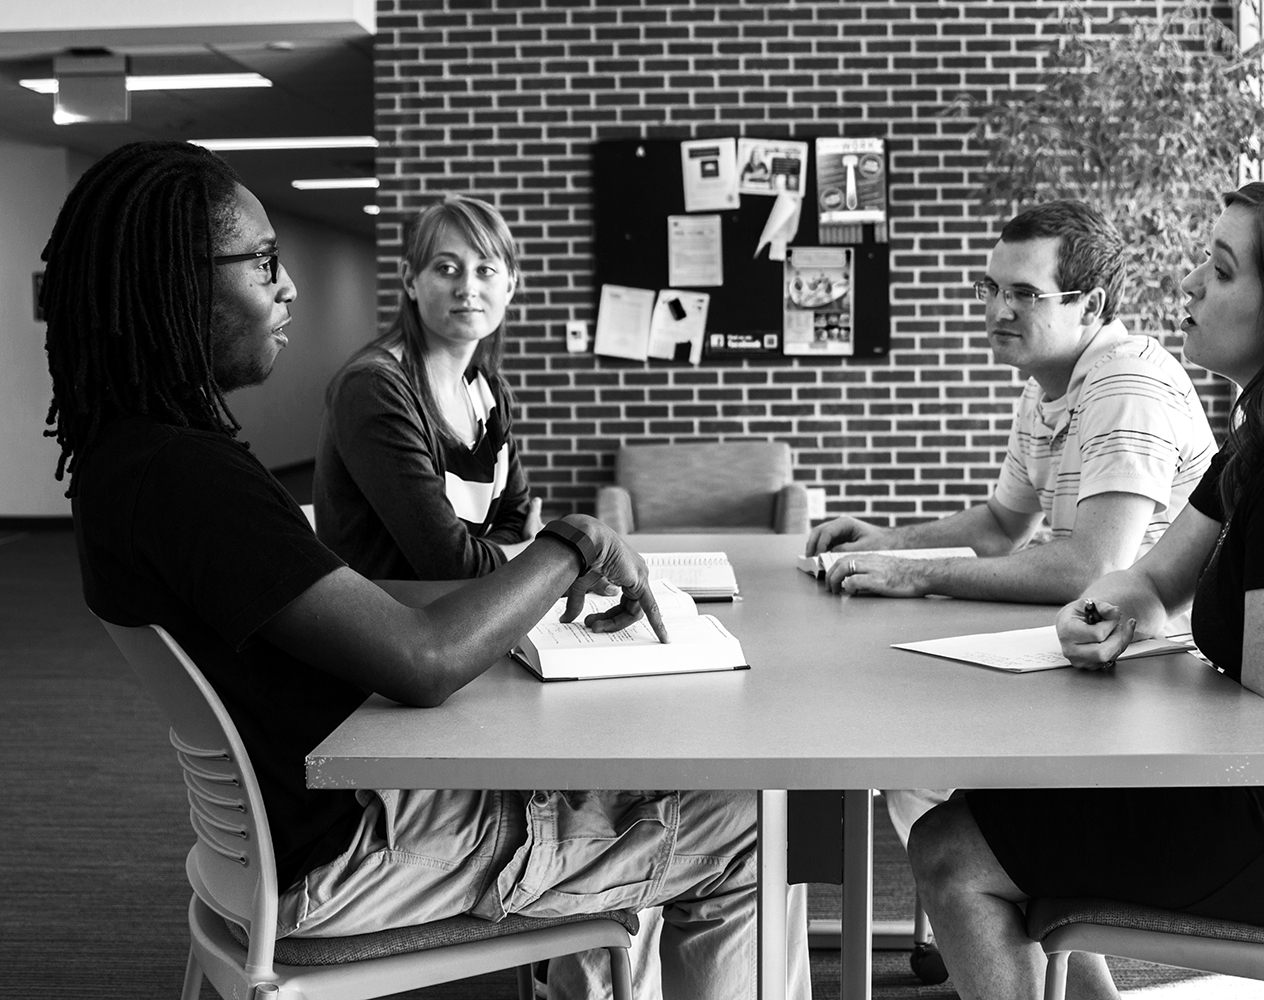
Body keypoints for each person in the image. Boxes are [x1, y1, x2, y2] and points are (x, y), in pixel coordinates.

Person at [44, 139, 803, 1000]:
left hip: (293, 827)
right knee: (752, 823)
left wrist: (537, 555)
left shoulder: (132, 461)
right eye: (263, 263)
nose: (289, 286)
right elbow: (424, 662)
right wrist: (577, 540)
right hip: (346, 856)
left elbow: (422, 583)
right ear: (173, 283)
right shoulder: (193, 477)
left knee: (628, 772)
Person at [906, 179, 1264, 1000]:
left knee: (950, 849)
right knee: (1009, 811)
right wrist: (1113, 611)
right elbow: (1152, 578)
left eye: (1219, 272)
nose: (1187, 285)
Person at [806, 200, 1219, 847]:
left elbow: (1092, 567)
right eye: (992, 288)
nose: (998, 310)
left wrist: (914, 577)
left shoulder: (1126, 386)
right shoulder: (1050, 381)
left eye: (1026, 294)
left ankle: (1017, 914)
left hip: (1147, 667)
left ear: (1093, 303)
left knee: (916, 753)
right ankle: (1041, 928)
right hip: (1089, 649)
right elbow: (1003, 525)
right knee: (906, 733)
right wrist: (888, 542)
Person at [314, 194, 543, 579]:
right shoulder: (374, 388)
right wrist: (529, 554)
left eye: (485, 269)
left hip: (467, 619)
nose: (467, 287)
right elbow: (451, 564)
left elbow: (516, 517)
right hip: (390, 630)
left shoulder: (487, 390)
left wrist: (500, 552)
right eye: (447, 268)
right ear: (410, 280)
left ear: (510, 285)